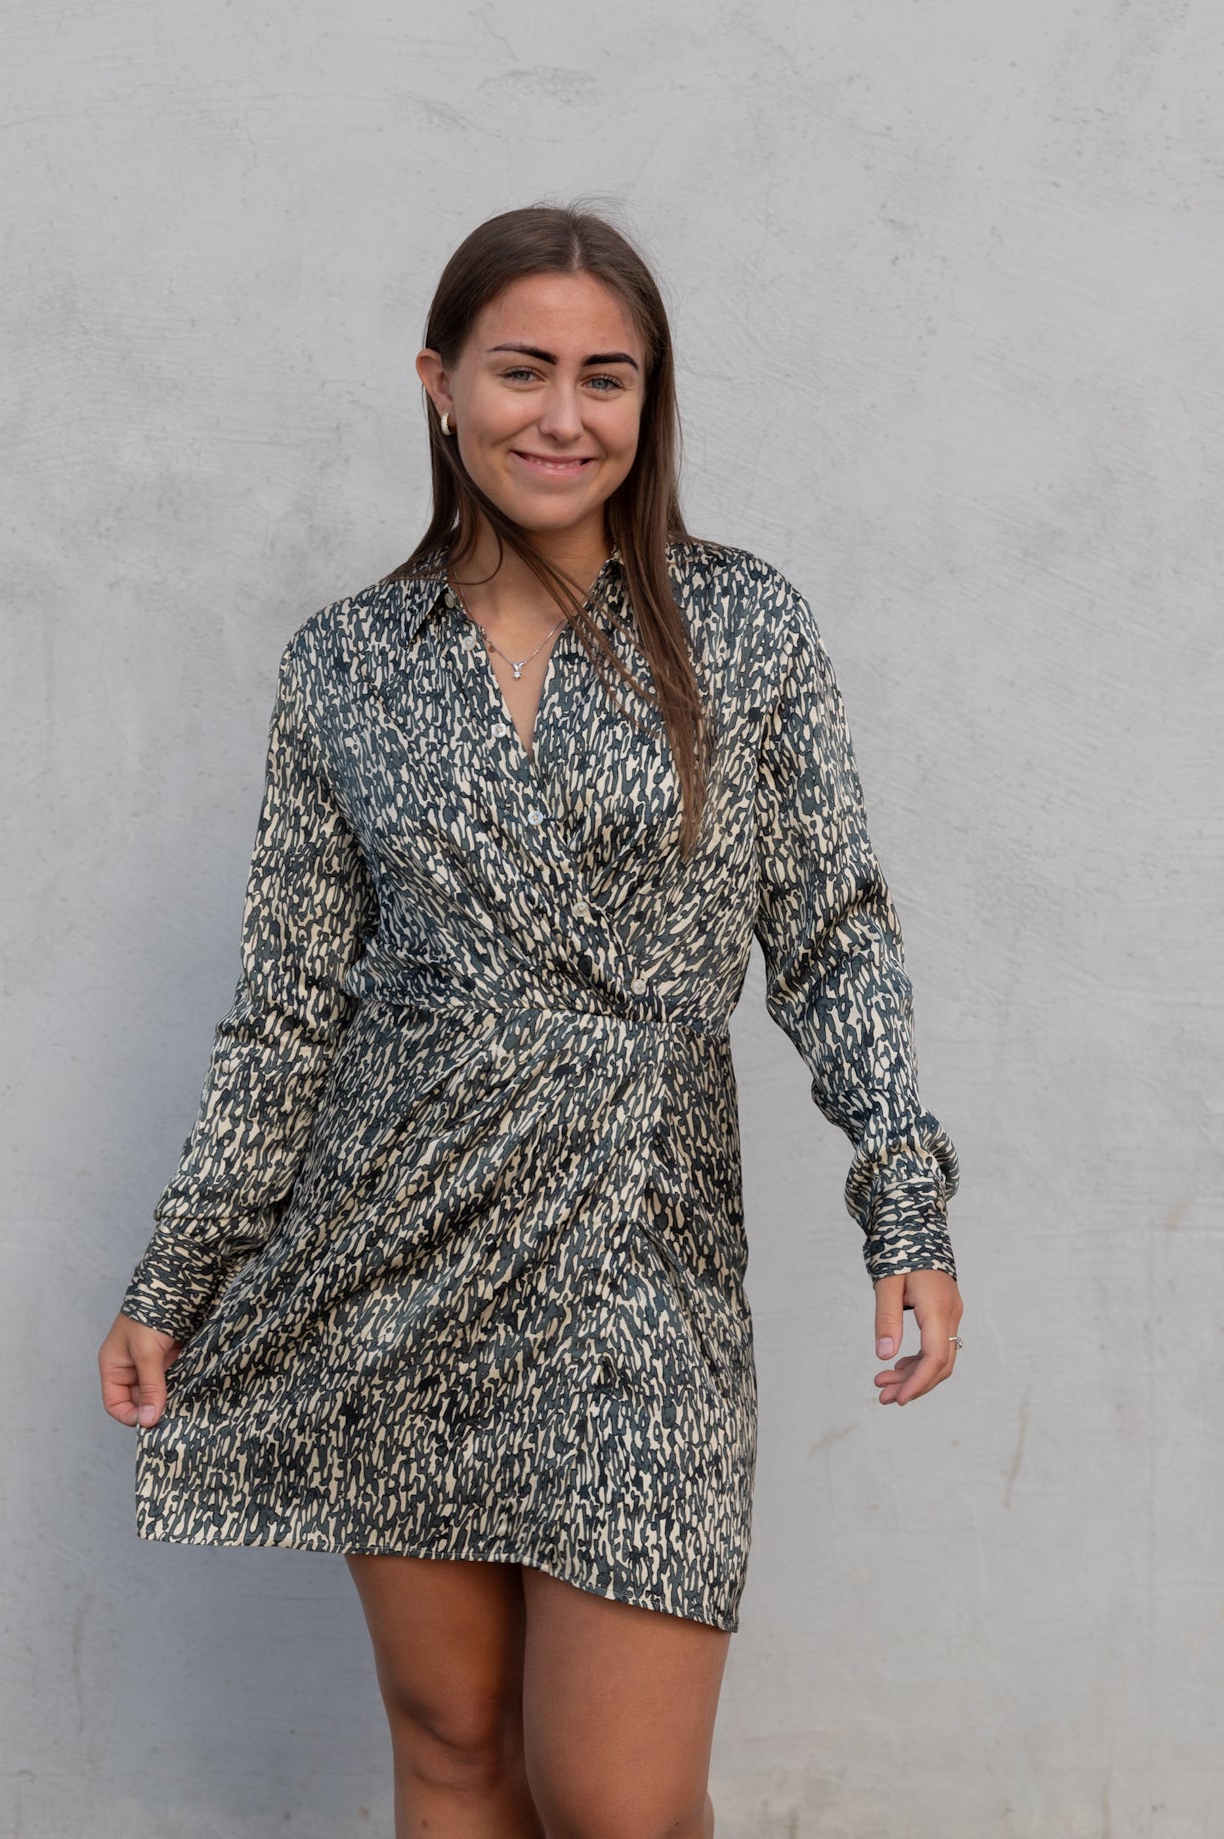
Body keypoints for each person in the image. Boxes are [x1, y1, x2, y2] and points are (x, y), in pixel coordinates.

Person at [98, 201, 963, 1839]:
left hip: (643, 1239)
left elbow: (832, 935)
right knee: (449, 1741)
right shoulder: (348, 663)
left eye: (604, 378)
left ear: (648, 401)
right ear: (439, 385)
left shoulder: (742, 628)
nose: (562, 416)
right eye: (520, 370)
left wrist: (901, 1204)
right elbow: (286, 1009)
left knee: (617, 1800)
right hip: (395, 1244)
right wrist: (178, 1273)